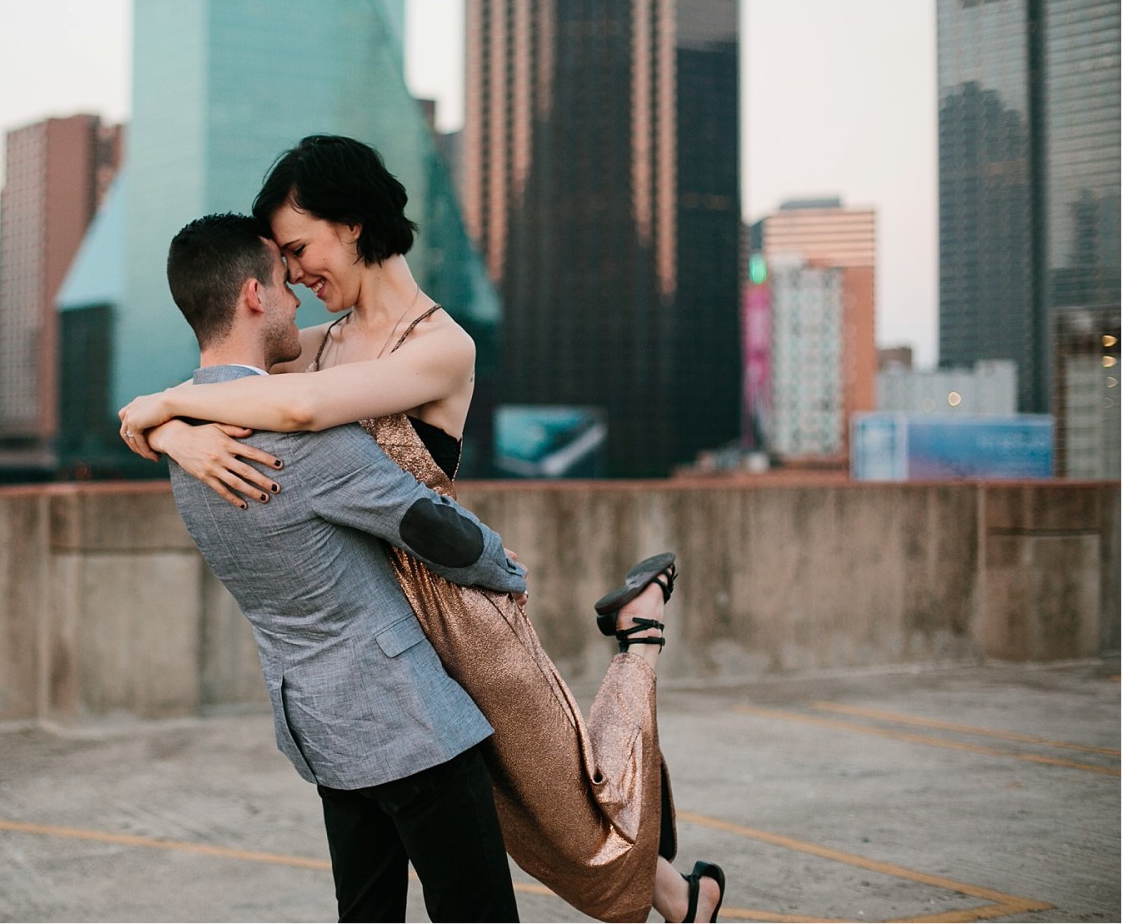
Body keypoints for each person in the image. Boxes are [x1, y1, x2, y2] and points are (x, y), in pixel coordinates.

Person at [119, 137, 726, 924]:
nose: (295, 273)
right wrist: (173, 431)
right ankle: (690, 902)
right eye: (285, 261)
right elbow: (225, 373)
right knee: (514, 817)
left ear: (355, 223)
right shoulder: (317, 343)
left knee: (572, 805)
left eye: (301, 247)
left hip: (455, 610)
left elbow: (289, 411)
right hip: (380, 616)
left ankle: (640, 632)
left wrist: (161, 412)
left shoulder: (441, 345)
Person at [156, 212, 528, 923]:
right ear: (253, 297)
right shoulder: (305, 442)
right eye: (283, 279)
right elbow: (431, 527)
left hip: (318, 724)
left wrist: (163, 418)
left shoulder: (184, 442)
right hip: (407, 720)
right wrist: (504, 566)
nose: (297, 290)